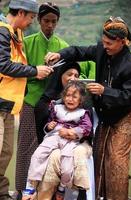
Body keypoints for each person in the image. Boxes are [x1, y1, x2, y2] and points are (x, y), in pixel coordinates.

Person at [45, 16, 131, 200]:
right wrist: (60, 54)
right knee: (98, 156)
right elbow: (79, 51)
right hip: (104, 114)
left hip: (125, 115)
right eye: (103, 42)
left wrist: (104, 91)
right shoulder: (102, 50)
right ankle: (100, 197)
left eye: (109, 43)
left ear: (122, 42)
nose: (105, 46)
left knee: (116, 161)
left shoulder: (130, 64)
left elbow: (129, 96)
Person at [0, 0, 54, 200]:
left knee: (5, 153)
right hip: (1, 100)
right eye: (31, 17)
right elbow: (3, 65)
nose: (32, 22)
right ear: (21, 13)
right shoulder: (2, 32)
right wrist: (34, 71)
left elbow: (16, 65)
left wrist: (39, 69)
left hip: (10, 102)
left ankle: (2, 193)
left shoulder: (16, 34)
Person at [15, 2, 69, 197]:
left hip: (54, 105)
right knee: (26, 147)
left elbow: (69, 75)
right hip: (29, 100)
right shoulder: (26, 43)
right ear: (38, 20)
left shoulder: (63, 46)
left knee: (50, 149)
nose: (50, 25)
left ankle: (46, 190)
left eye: (54, 22)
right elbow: (18, 72)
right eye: (46, 21)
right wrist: (37, 72)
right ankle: (22, 190)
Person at [28, 80, 92, 200]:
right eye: (68, 95)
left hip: (70, 141)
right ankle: (32, 184)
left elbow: (86, 128)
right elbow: (48, 123)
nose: (70, 99)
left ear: (81, 100)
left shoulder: (83, 113)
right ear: (63, 96)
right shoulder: (57, 108)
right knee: (38, 155)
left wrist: (72, 132)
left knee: (67, 166)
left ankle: (62, 187)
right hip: (54, 137)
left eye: (74, 97)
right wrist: (49, 126)